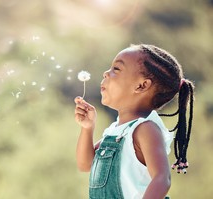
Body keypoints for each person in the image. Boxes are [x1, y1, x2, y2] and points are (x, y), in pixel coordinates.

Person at [74, 44, 194, 199]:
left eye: (116, 69)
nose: (106, 73)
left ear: (141, 85)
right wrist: (87, 128)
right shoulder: (115, 130)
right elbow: (85, 165)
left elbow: (162, 179)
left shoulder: (146, 129)